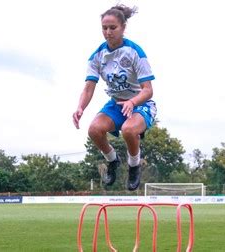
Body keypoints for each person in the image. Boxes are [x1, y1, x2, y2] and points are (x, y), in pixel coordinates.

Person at [72, 4, 156, 191]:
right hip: (116, 103)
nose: (108, 32)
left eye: (113, 28)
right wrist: (80, 108)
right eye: (104, 28)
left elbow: (148, 90)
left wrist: (132, 102)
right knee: (94, 129)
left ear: (123, 28)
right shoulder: (97, 56)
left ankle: (134, 165)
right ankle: (112, 160)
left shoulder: (135, 52)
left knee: (128, 130)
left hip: (140, 103)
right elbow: (88, 88)